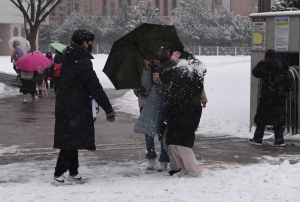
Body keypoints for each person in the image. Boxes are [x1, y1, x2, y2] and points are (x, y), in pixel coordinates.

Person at [53, 29, 117, 184]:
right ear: (83, 42)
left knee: (71, 139)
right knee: (69, 141)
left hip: (66, 105)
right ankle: (58, 174)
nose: (90, 45)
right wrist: (108, 109)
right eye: (89, 42)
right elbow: (94, 87)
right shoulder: (82, 62)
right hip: (74, 107)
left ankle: (73, 173)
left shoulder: (68, 56)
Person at [159, 44, 206, 178]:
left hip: (183, 108)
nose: (168, 57)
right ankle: (184, 168)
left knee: (182, 141)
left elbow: (164, 75)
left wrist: (170, 63)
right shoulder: (192, 66)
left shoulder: (182, 67)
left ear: (176, 55)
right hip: (183, 108)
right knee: (174, 140)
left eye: (170, 55)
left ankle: (194, 171)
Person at [134, 55, 170, 171]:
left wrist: (162, 82)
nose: (156, 62)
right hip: (148, 104)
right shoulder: (147, 68)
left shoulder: (169, 69)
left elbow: (171, 87)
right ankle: (151, 157)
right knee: (148, 132)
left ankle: (164, 159)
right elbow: (144, 86)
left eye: (158, 61)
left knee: (163, 132)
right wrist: (147, 69)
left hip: (164, 105)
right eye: (155, 60)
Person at [249, 49, 290, 147]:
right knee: (278, 118)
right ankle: (279, 139)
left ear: (266, 57)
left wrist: (261, 62)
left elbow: (255, 72)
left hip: (268, 96)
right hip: (280, 97)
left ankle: (258, 138)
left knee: (262, 118)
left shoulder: (266, 65)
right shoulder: (282, 65)